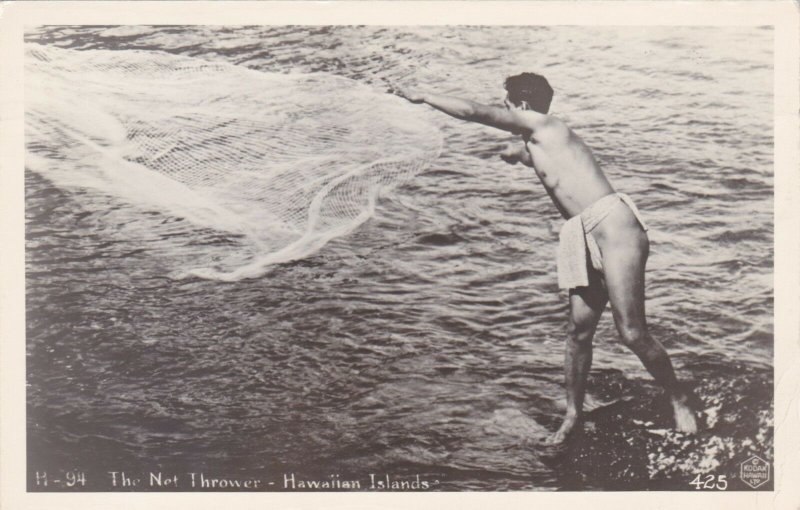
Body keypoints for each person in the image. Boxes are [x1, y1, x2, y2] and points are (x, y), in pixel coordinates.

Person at [393, 73, 698, 444]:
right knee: (578, 332)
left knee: (631, 332)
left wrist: (424, 95)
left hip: (613, 226)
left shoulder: (544, 124)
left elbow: (475, 112)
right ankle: (573, 414)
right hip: (580, 232)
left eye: (507, 105)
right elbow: (528, 155)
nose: (504, 110)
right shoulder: (539, 138)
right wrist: (514, 152)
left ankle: (678, 396)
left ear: (521, 107)